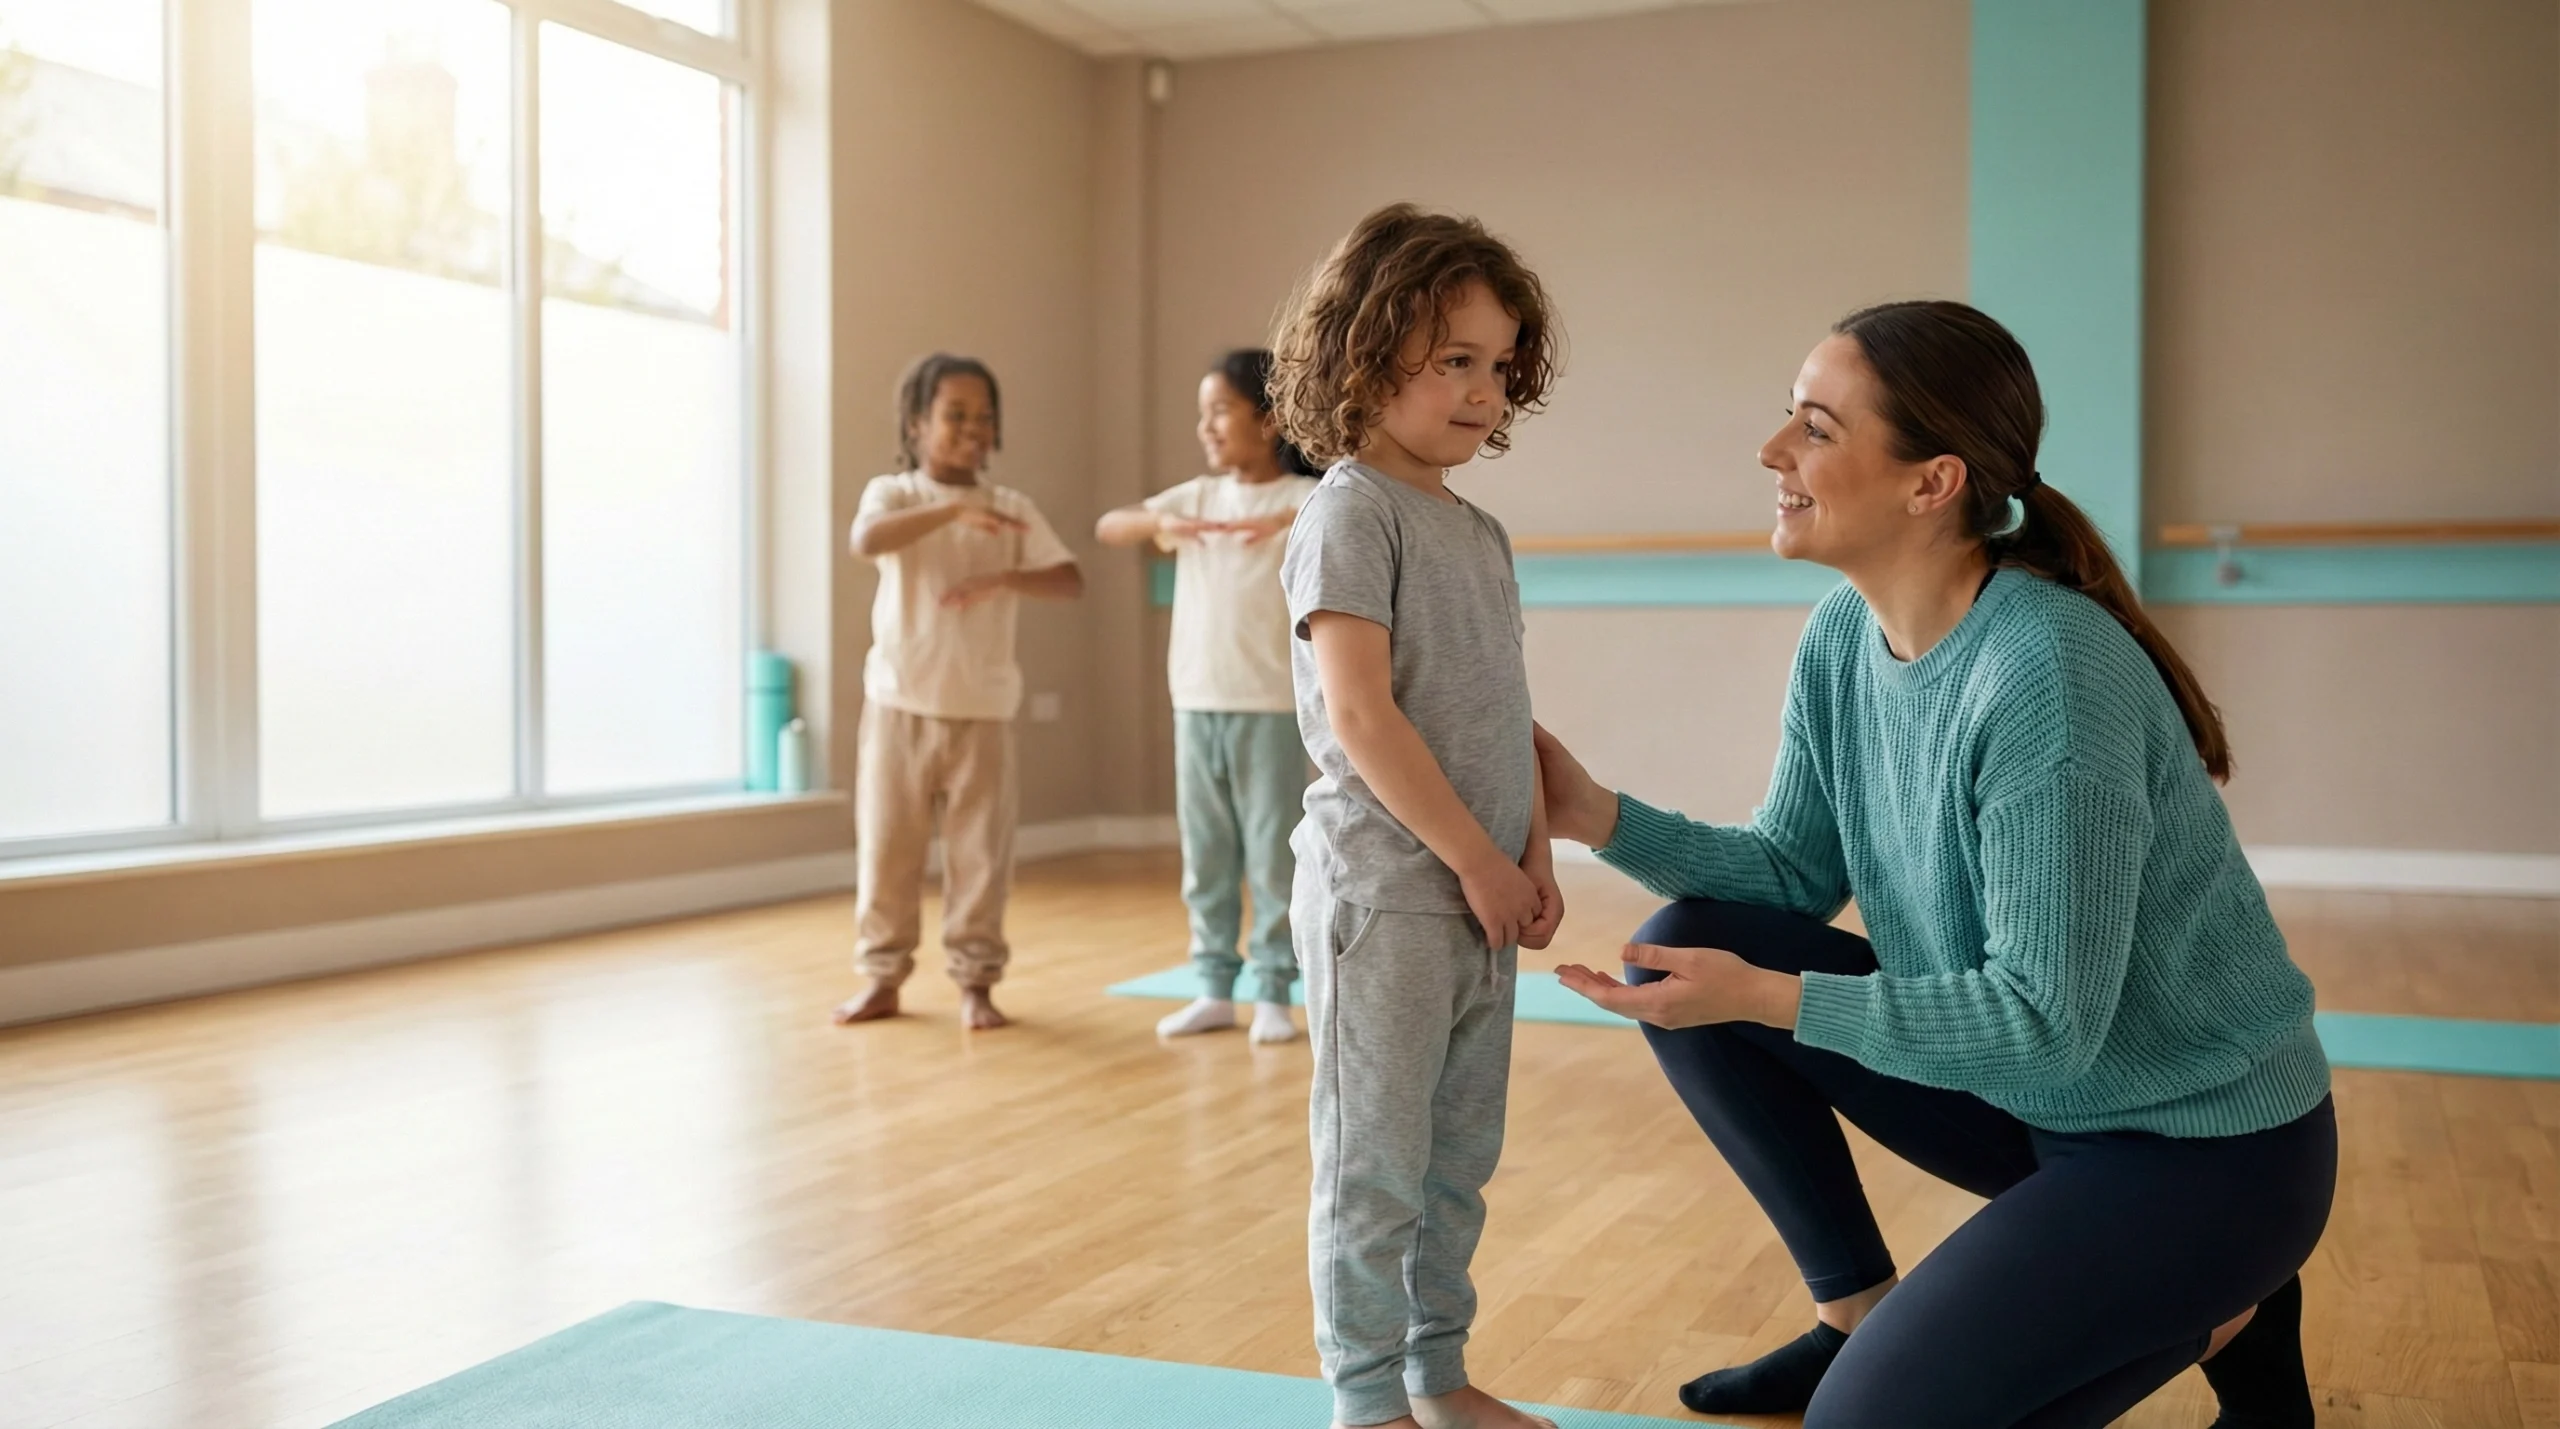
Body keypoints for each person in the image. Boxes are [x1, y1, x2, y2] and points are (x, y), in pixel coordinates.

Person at [1535, 300, 2335, 1428]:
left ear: (1932, 482)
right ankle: (1853, 1313)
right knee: (1682, 946)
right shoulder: (1842, 637)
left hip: (2201, 1148)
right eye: (1788, 417)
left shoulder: (2048, 676)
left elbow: (2046, 1020)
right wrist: (1595, 815)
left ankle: (2224, 1308)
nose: (1772, 450)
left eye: (1815, 427)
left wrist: (1770, 996)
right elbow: (1791, 871)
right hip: (2032, 1102)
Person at [1270, 203, 1566, 1429]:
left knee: (1455, 1166)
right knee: (1375, 1168)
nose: (1482, 391)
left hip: (1478, 901)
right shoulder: (1349, 513)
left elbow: (1506, 714)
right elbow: (1361, 714)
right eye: (1453, 359)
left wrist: (1532, 854)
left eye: (1498, 365)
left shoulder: (1478, 533)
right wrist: (1475, 862)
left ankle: (1435, 1377)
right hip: (1384, 901)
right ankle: (1364, 1399)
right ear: (1363, 351)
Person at [833, 354, 1083, 1032]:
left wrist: (1003, 579)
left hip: (984, 709)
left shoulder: (1012, 509)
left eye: (984, 417)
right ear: (917, 423)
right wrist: (951, 511)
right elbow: (864, 539)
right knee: (888, 850)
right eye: (956, 414)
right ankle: (882, 977)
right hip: (898, 703)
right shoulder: (895, 494)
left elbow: (1068, 579)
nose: (974, 428)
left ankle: (976, 982)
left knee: (980, 858)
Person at [1096, 349, 1321, 1044]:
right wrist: (1172, 527)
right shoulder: (1195, 498)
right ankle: (1214, 988)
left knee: (1272, 856)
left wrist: (1277, 528)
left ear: (1268, 418)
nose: (1206, 428)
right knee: (1207, 857)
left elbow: (1348, 508)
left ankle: (1275, 992)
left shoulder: (1305, 500)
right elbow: (1111, 525)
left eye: (1220, 411)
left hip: (1271, 704)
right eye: (1203, 414)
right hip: (1196, 699)